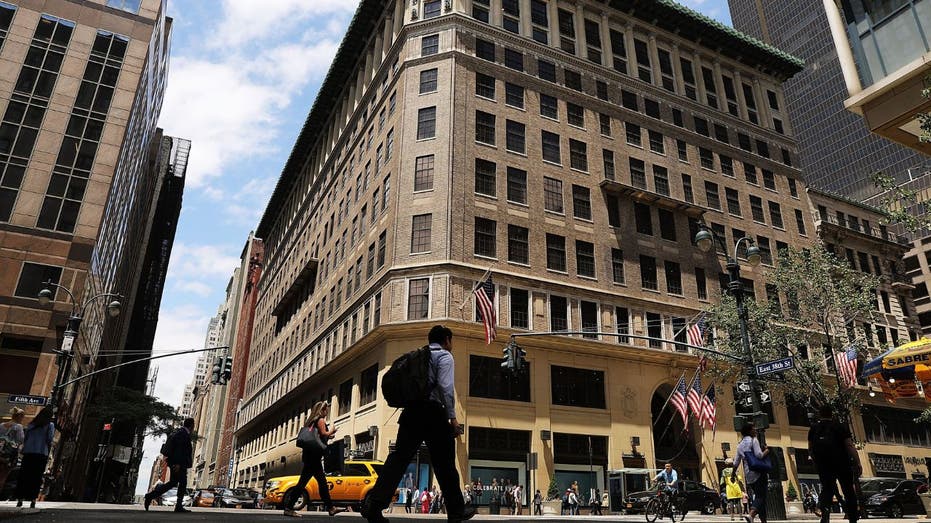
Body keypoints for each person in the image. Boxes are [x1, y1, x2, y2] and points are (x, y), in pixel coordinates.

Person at [361, 326, 475, 523]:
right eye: (451, 341)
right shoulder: (445, 357)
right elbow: (446, 389)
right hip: (433, 413)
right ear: (447, 340)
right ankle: (456, 512)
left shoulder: (417, 355)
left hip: (411, 413)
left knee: (398, 459)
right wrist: (453, 418)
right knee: (445, 463)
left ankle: (374, 505)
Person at [283, 401, 346, 517]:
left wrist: (328, 435)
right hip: (314, 458)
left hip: (310, 456)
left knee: (320, 483)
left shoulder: (311, 421)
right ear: (321, 410)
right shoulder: (320, 420)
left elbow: (318, 435)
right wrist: (331, 431)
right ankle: (288, 508)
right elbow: (323, 433)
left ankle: (331, 507)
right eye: (325, 409)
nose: (327, 411)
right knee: (304, 484)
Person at [808, 404, 862, 523]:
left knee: (827, 489)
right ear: (832, 414)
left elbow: (810, 449)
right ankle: (853, 518)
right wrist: (857, 462)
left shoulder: (813, 429)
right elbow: (849, 445)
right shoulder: (839, 427)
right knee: (848, 490)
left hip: (824, 465)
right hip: (842, 463)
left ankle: (825, 516)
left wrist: (816, 463)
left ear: (819, 414)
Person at [145, 417, 194, 512]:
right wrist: (178, 463)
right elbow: (180, 450)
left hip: (177, 463)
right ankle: (178, 506)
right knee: (182, 483)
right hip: (179, 464)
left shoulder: (180, 432)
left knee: (173, 483)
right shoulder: (183, 434)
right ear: (192, 425)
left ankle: (150, 496)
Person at [14, 407, 53, 509]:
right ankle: (32, 500)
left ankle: (20, 499)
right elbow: (49, 439)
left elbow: (25, 439)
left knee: (24, 476)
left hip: (28, 453)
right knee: (36, 477)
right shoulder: (49, 425)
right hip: (40, 454)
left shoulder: (31, 425)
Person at [732, 423, 769, 523]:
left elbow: (736, 463)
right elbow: (759, 455)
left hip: (749, 476)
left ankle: (763, 521)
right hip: (759, 473)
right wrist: (766, 450)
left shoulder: (740, 445)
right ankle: (751, 515)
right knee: (761, 497)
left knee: (759, 498)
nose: (755, 430)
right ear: (749, 431)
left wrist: (732, 475)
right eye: (753, 429)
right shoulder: (753, 440)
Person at [0, 408, 26, 491]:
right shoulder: (18, 427)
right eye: (22, 417)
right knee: (3, 476)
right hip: (9, 455)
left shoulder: (2, 425)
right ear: (19, 417)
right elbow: (20, 440)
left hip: (0, 451)